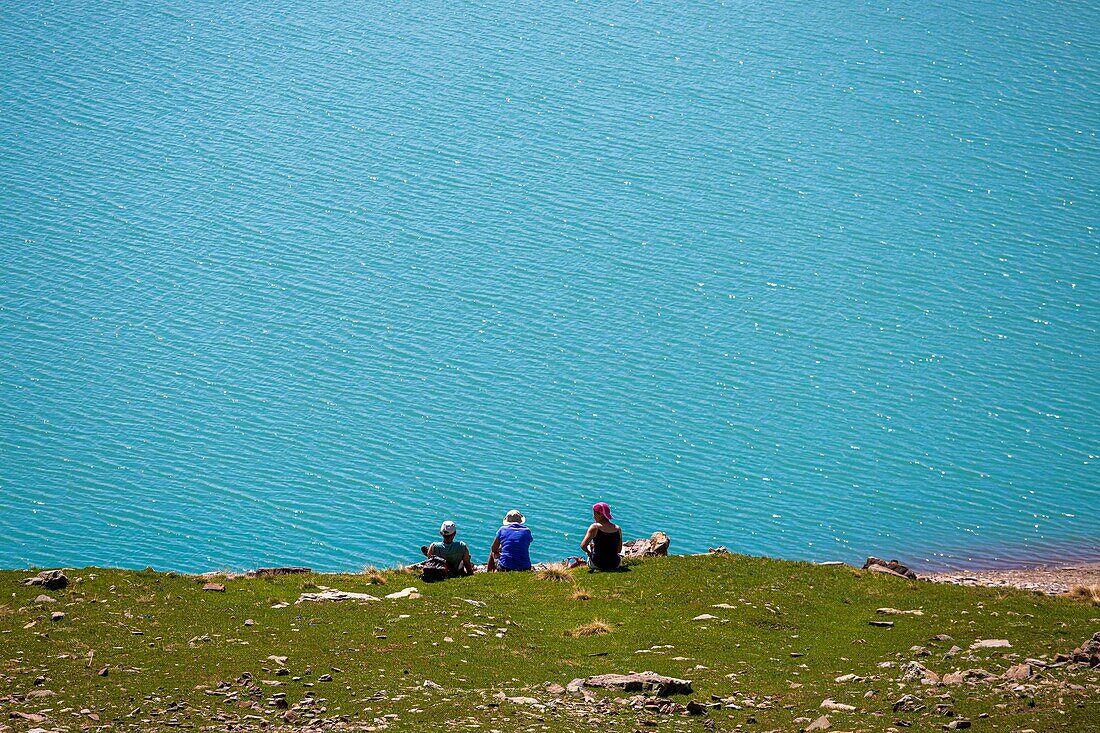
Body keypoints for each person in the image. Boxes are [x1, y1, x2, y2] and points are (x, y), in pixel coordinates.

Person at [581, 502, 622, 571]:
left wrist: (589, 553)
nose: (593, 516)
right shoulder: (617, 528)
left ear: (600, 514)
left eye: (594, 514)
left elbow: (583, 546)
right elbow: (619, 550)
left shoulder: (595, 527)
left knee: (589, 546)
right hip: (615, 564)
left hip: (597, 564)